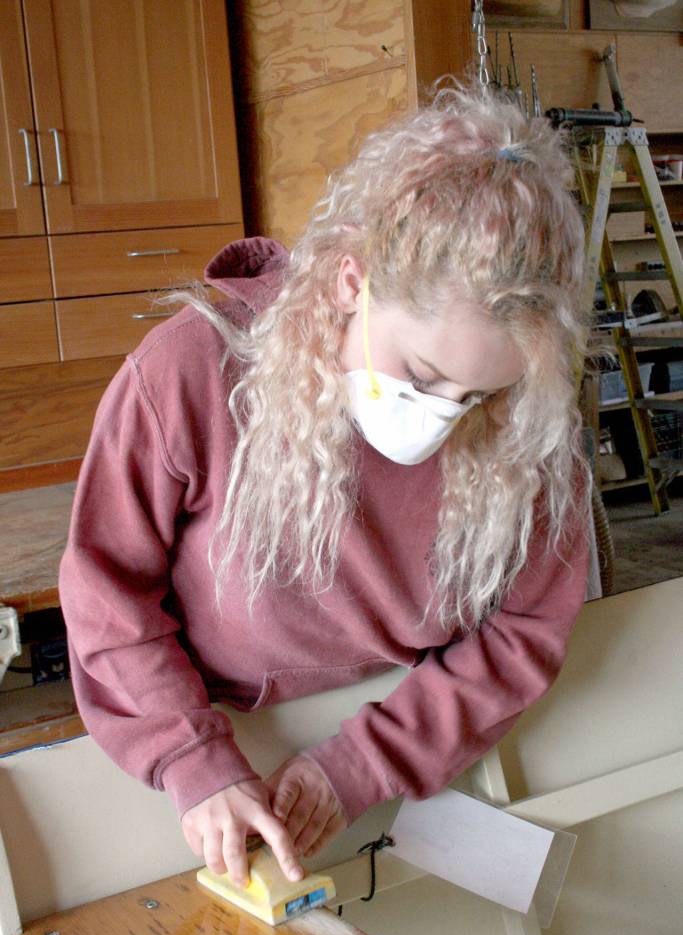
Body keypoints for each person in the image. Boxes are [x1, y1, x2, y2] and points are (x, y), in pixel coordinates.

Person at [59, 79, 591, 893]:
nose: (440, 420)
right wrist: (191, 759)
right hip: (205, 747)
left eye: (477, 397)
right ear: (351, 283)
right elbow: (105, 589)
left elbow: (525, 630)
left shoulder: (531, 422)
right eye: (421, 373)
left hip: (396, 747)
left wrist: (364, 763)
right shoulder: (191, 373)